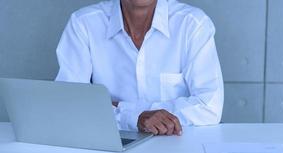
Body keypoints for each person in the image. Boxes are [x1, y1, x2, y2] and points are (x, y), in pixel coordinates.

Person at [55, 0, 224, 136]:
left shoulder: (192, 24)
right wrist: (135, 118)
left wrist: (119, 108)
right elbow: (69, 105)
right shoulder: (84, 24)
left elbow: (209, 107)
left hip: (177, 147)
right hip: (110, 148)